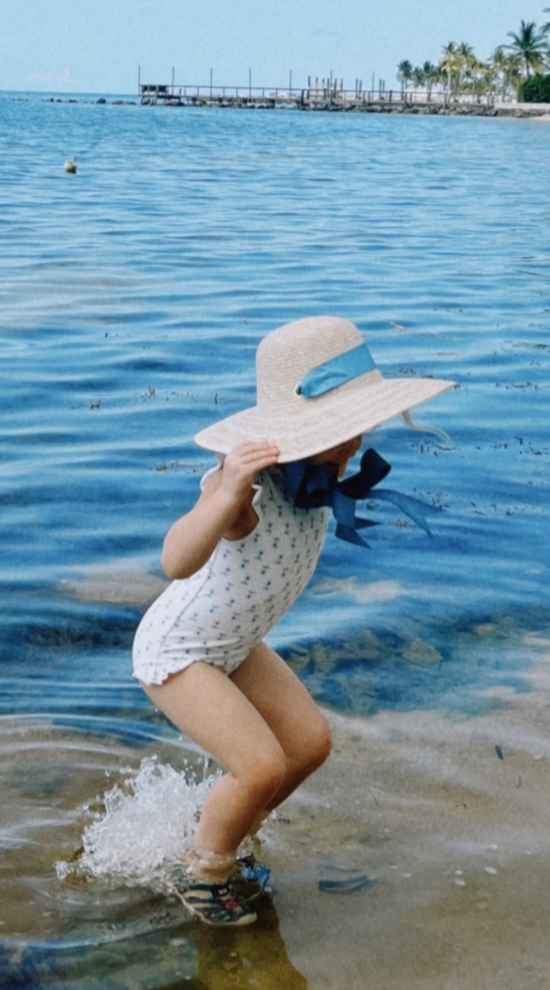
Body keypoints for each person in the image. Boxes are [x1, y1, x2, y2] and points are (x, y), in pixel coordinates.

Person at [132, 315, 454, 925]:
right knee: (262, 765)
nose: (356, 441)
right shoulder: (247, 494)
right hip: (181, 652)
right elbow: (176, 560)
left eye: (360, 425)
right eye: (344, 429)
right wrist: (224, 495)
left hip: (236, 641)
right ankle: (199, 873)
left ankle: (220, 830)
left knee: (308, 746)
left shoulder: (320, 478)